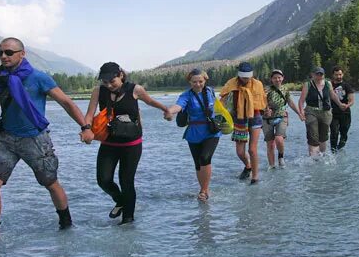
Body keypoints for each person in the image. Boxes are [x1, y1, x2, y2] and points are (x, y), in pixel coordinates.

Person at [0, 37, 87, 244]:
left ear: (22, 54)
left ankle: (66, 223)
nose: (4, 56)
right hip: (6, 138)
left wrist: (85, 127)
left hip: (35, 139)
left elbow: (66, 102)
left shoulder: (39, 78)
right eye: (0, 53)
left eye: (9, 52)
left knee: (50, 183)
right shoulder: (0, 78)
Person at [81, 62, 169, 225]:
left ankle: (128, 219)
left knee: (126, 180)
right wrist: (86, 129)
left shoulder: (135, 89)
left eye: (111, 81)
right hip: (109, 143)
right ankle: (121, 200)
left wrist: (166, 109)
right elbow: (89, 114)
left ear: (120, 75)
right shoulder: (98, 91)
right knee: (103, 180)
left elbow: (150, 102)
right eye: (105, 82)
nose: (109, 85)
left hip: (132, 145)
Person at [164, 69, 221, 201]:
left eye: (200, 81)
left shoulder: (210, 91)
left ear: (205, 80)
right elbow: (178, 106)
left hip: (211, 131)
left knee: (205, 158)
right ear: (190, 82)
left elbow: (219, 107)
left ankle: (204, 190)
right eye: (194, 82)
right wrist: (169, 111)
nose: (197, 84)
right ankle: (203, 188)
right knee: (198, 163)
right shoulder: (186, 95)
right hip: (194, 132)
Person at [219, 62, 267, 184]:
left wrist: (267, 111)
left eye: (247, 76)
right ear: (239, 74)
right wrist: (220, 114)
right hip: (238, 118)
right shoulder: (231, 83)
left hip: (255, 117)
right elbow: (222, 99)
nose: (245, 79)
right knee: (240, 152)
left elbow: (262, 101)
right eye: (243, 76)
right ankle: (248, 166)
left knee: (252, 149)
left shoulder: (258, 84)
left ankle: (255, 177)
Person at [298, 67, 347, 157]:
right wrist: (301, 112)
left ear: (324, 75)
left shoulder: (328, 83)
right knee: (313, 136)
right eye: (317, 74)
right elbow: (301, 100)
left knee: (323, 137)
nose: (319, 76)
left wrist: (340, 104)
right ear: (312, 75)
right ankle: (313, 158)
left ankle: (322, 157)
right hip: (311, 111)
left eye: (321, 74)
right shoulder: (308, 84)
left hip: (325, 113)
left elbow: (333, 95)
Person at [262, 69, 304, 169]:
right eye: (275, 78)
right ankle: (272, 165)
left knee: (279, 138)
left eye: (279, 77)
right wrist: (265, 109)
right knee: (270, 144)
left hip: (282, 116)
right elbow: (261, 102)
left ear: (283, 78)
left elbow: (290, 102)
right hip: (267, 119)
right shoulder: (266, 90)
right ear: (271, 79)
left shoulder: (285, 90)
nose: (277, 79)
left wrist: (299, 113)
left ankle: (281, 156)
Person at [330, 66, 355, 152]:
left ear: (343, 74)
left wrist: (347, 105)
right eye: (336, 75)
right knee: (334, 132)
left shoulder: (347, 86)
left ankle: (340, 148)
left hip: (345, 113)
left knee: (344, 133)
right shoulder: (329, 85)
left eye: (340, 74)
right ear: (333, 75)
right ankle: (333, 151)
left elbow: (352, 100)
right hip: (333, 113)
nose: (338, 76)